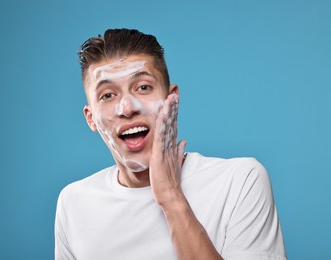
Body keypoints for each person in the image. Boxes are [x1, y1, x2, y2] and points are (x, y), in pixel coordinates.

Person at [55, 28, 286, 260]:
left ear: (171, 98)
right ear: (91, 118)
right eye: (107, 95)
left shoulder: (240, 181)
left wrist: (171, 198)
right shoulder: (74, 203)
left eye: (143, 87)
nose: (127, 108)